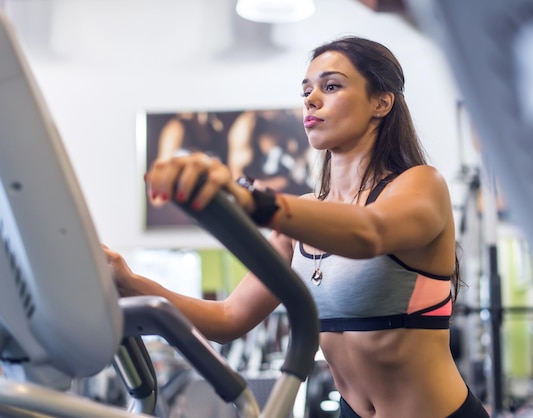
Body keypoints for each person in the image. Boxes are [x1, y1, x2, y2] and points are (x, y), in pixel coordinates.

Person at [105, 36, 490, 418]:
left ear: (381, 102)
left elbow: (370, 232)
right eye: (306, 90)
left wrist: (253, 201)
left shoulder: (421, 184)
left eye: (331, 86)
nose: (311, 99)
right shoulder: (301, 218)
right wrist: (129, 280)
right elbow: (227, 319)